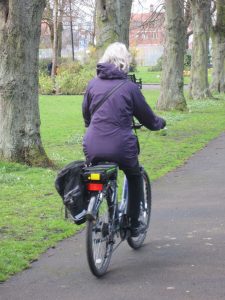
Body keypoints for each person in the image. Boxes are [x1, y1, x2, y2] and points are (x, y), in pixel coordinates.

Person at [82, 42, 166, 237]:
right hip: (121, 146)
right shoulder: (129, 87)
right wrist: (159, 124)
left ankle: (102, 207)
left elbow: (86, 114)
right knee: (134, 176)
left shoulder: (92, 84)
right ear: (125, 62)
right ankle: (133, 223)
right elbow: (148, 118)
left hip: (92, 143)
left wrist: (91, 125)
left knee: (101, 175)